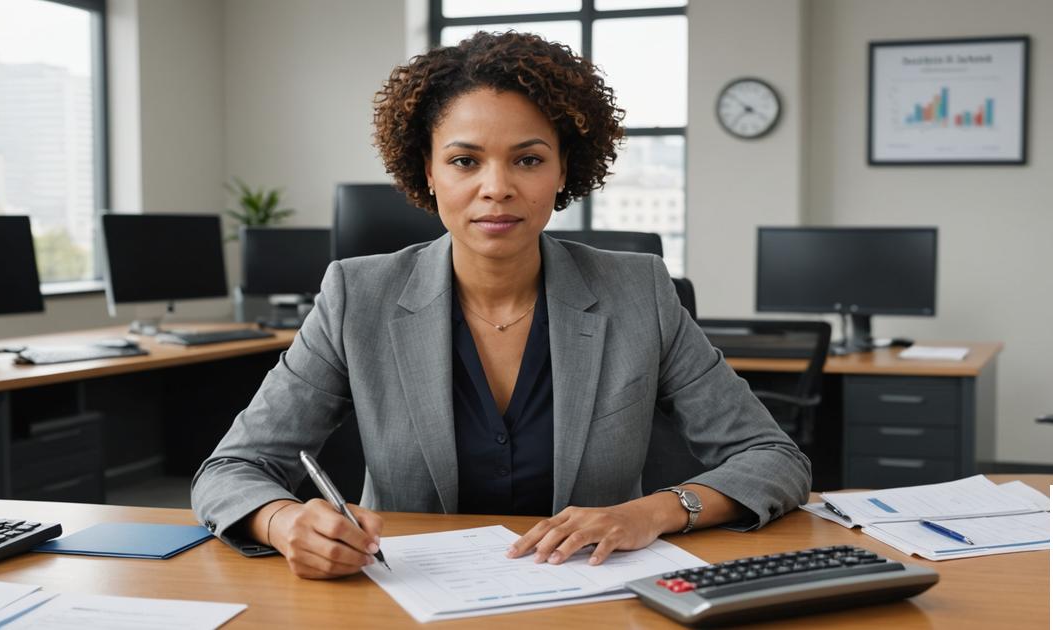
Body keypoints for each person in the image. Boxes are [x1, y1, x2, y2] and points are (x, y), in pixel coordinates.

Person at [191, 31, 811, 579]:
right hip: (410, 600)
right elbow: (232, 469)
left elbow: (773, 459)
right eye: (465, 160)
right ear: (427, 172)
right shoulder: (358, 296)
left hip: (594, 592)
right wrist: (282, 522)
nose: (497, 188)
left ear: (564, 170)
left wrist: (650, 513)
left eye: (528, 159)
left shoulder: (639, 292)